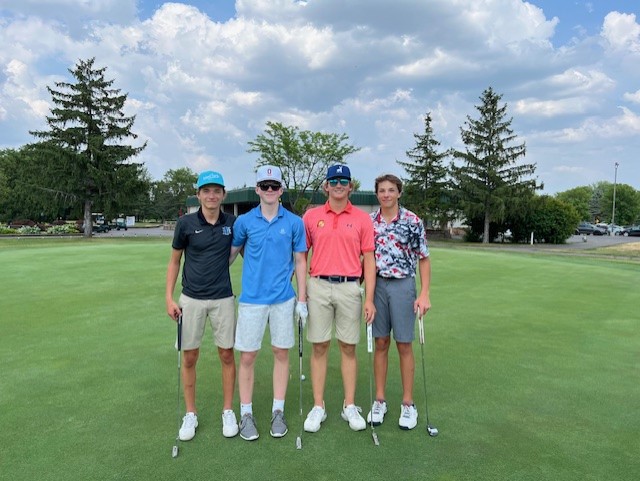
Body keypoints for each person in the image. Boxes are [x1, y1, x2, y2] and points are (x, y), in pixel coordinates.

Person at [230, 165, 308, 441]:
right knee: (248, 356)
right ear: (257, 190)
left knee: (281, 353)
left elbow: (300, 261)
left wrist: (303, 299)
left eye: (275, 186)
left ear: (281, 190)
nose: (270, 190)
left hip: (283, 300)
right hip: (252, 300)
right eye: (265, 186)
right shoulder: (245, 222)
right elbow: (232, 254)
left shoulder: (294, 223)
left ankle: (278, 410)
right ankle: (246, 414)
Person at [302, 164, 376, 433]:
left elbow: (369, 258)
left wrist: (369, 298)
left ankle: (349, 405)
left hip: (349, 288)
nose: (338, 185)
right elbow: (301, 254)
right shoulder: (310, 217)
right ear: (326, 186)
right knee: (319, 346)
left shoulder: (362, 218)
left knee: (348, 347)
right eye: (334, 180)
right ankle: (318, 406)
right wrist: (301, 294)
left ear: (351, 186)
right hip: (318, 285)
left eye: (343, 181)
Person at [165, 170, 239, 441]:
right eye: (206, 191)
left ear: (223, 195)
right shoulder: (185, 223)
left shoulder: (232, 223)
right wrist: (169, 298)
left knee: (227, 354)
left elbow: (249, 254)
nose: (211, 195)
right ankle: (191, 413)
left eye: (216, 191)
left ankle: (228, 410)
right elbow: (174, 261)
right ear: (198, 195)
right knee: (189, 356)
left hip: (223, 299)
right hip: (191, 299)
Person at [366, 173, 431, 430]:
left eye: (391, 190)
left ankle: (408, 403)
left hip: (404, 285)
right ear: (377, 194)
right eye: (382, 190)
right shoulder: (369, 222)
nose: (386, 195)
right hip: (378, 284)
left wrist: (424, 293)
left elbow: (423, 258)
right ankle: (380, 400)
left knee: (404, 343)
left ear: (399, 192)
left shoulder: (413, 221)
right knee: (380, 342)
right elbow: (366, 257)